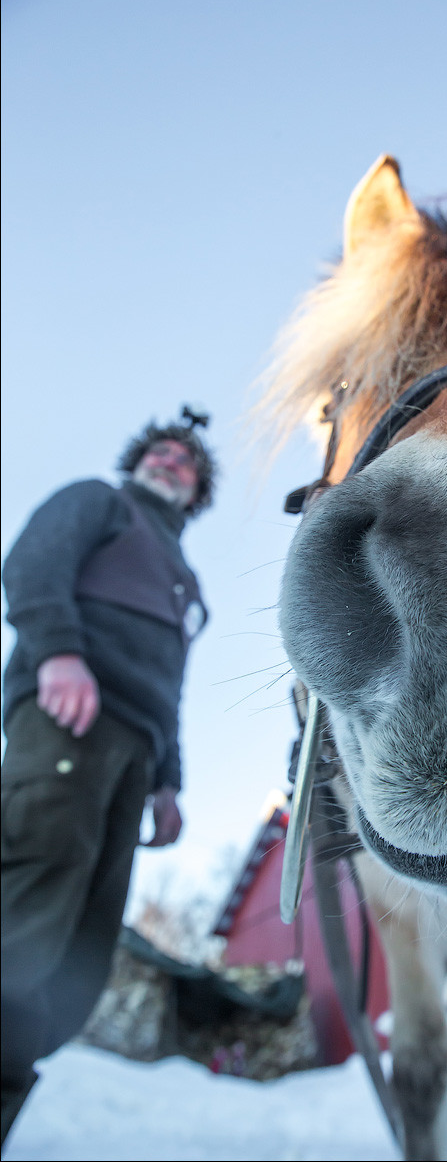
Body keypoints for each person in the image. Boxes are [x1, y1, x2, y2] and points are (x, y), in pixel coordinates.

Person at [0, 408, 216, 1147]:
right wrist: (58, 651)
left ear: (198, 490)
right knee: (29, 912)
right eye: (159, 451)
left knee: (80, 950)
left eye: (185, 461)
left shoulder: (184, 582)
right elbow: (33, 563)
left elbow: (171, 689)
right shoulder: (100, 500)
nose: (169, 461)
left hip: (135, 757)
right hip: (69, 715)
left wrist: (168, 780)